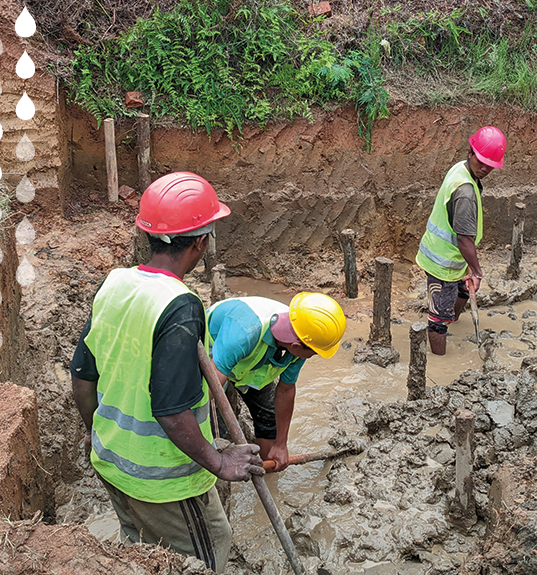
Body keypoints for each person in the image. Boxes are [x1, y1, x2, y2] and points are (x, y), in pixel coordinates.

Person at [69, 172, 263, 572]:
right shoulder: (180, 305)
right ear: (200, 240)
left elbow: (82, 374)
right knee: (208, 552)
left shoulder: (115, 283)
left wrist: (98, 430)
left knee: (142, 552)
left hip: (111, 462)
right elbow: (172, 410)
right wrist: (218, 462)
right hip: (163, 481)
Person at [205, 293, 346, 471]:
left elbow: (286, 390)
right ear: (296, 346)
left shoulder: (303, 335)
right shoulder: (245, 332)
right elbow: (211, 386)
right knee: (216, 430)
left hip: (253, 365)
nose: (312, 357)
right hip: (215, 357)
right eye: (314, 353)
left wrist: (281, 445)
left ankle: (266, 467)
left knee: (268, 417)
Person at [416, 125, 507, 355]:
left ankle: (451, 317)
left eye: (490, 165)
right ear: (470, 153)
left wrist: (470, 267)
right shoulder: (465, 191)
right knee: (438, 319)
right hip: (443, 262)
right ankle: (439, 359)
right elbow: (464, 239)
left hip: (454, 257)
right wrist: (477, 272)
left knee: (463, 292)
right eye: (481, 161)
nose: (485, 168)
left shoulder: (462, 169)